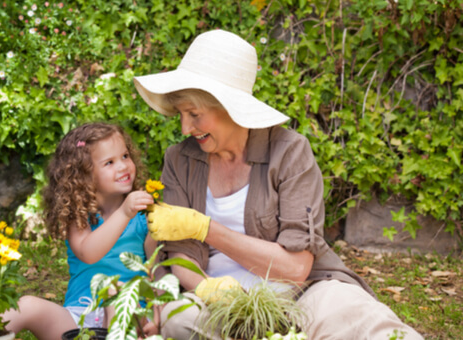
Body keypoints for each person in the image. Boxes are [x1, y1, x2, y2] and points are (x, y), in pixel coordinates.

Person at [133, 29, 424, 340]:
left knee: (366, 320)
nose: (185, 127)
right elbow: (181, 257)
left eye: (194, 114)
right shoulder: (179, 160)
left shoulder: (290, 152)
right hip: (215, 298)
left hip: (300, 293)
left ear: (231, 108)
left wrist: (207, 228)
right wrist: (211, 292)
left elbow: (296, 267)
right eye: (180, 114)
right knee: (181, 321)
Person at [1, 122, 158, 340]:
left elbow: (157, 269)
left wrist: (158, 311)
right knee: (26, 306)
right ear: (84, 175)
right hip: (77, 320)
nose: (123, 166)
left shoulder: (144, 216)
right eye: (109, 162)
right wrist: (124, 213)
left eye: (125, 156)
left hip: (128, 316)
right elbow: (88, 252)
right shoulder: (79, 216)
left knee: (119, 293)